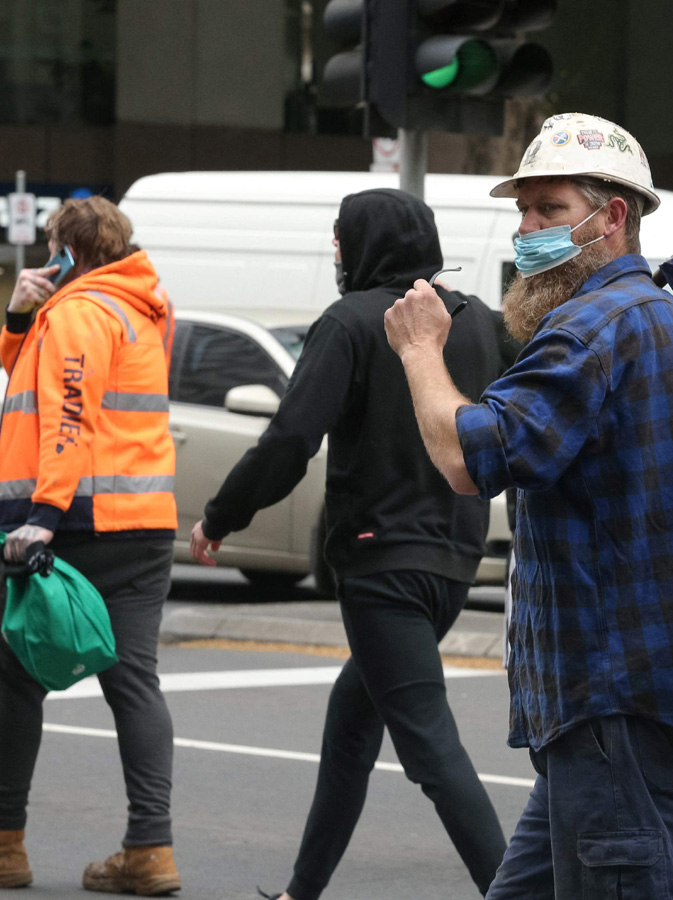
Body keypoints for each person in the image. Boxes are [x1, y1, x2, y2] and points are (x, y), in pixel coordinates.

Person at [383, 112, 673, 900]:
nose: (527, 230)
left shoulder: (592, 326)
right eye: (523, 211)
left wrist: (418, 351)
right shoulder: (654, 314)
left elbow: (469, 456)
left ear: (613, 217)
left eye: (549, 210)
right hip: (628, 702)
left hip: (614, 700)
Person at [189, 188, 512, 898]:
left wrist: (219, 518)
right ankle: (302, 892)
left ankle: (509, 890)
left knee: (429, 746)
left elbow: (291, 439)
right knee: (351, 734)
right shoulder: (480, 322)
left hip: (381, 564)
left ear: (363, 245)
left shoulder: (351, 322)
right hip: (454, 561)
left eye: (340, 241)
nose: (336, 254)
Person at [0, 197, 180, 894]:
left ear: (67, 252)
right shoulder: (141, 307)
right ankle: (151, 850)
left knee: (15, 679)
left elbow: (66, 417)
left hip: (76, 522)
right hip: (142, 521)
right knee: (133, 682)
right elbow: (33, 382)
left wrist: (42, 516)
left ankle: (8, 844)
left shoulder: (78, 312)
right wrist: (20, 318)